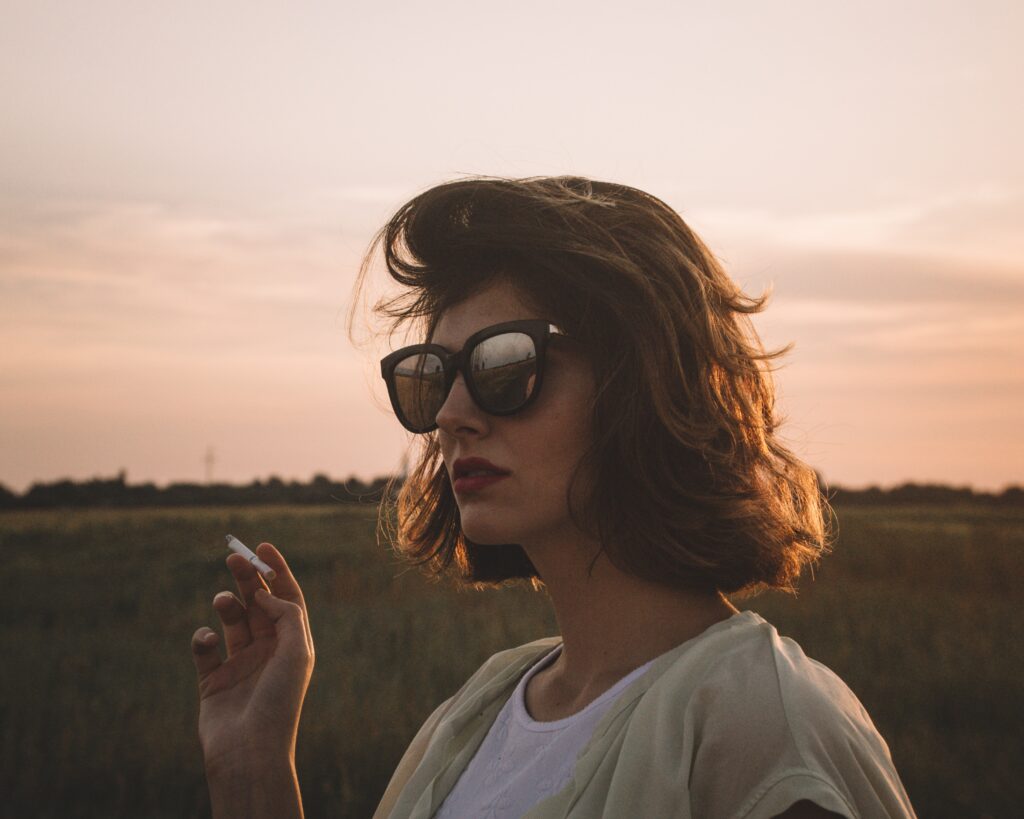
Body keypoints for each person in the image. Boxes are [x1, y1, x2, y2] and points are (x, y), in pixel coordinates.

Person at [190, 176, 917, 818]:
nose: (450, 414)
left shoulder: (764, 728)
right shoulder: (478, 712)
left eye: (504, 365)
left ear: (643, 380)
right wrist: (255, 768)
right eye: (432, 375)